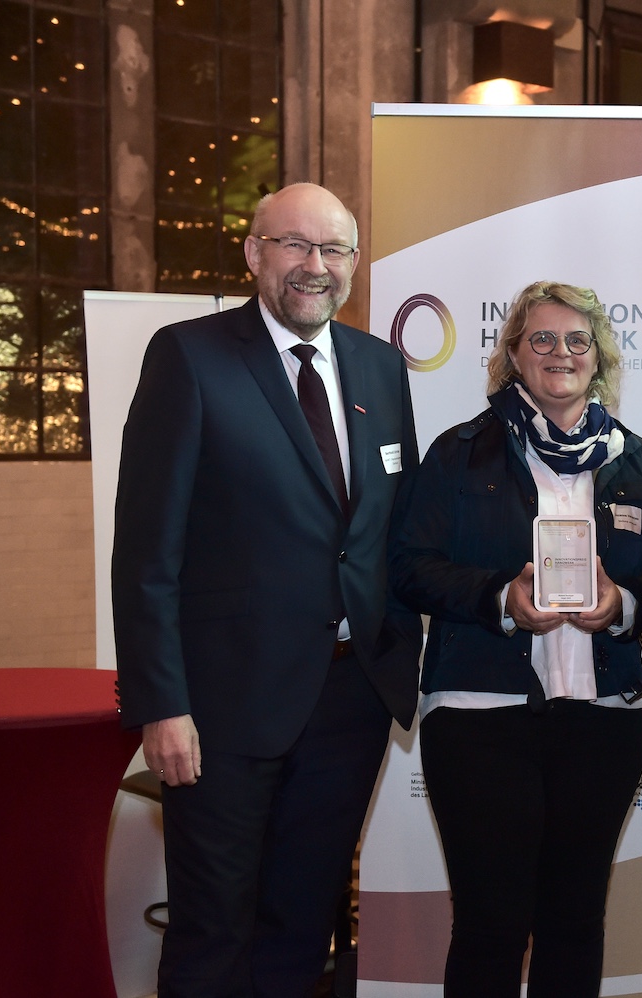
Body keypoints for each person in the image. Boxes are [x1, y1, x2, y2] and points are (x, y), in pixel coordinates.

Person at [111, 182, 422, 997]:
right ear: (254, 254)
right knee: (215, 928)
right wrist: (160, 703)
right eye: (294, 245)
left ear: (354, 264)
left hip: (349, 700)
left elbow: (390, 528)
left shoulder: (380, 366)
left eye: (334, 251)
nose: (314, 267)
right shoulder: (189, 356)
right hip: (222, 708)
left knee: (303, 922)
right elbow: (147, 551)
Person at [390, 281, 642, 997]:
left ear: (599, 357)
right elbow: (409, 567)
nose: (560, 353)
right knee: (490, 925)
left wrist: (623, 606)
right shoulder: (460, 453)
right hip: (481, 719)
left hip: (602, 721)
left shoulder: (635, 461)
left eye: (578, 340)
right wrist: (500, 598)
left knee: (575, 921)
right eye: (541, 339)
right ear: (513, 354)